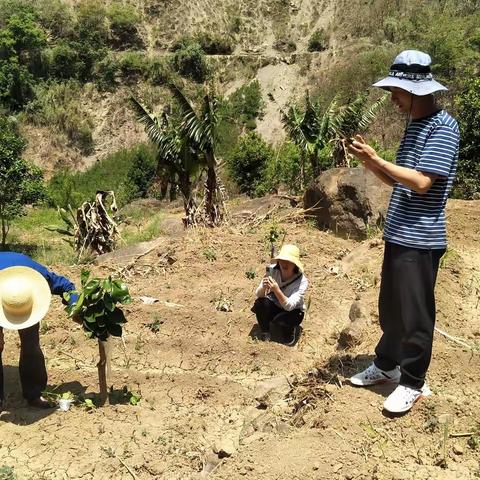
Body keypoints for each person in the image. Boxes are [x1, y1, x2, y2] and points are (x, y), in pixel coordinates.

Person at [347, 50, 460, 414]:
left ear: (416, 90)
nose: (393, 99)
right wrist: (372, 161)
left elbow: (423, 182)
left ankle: (412, 382)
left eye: (396, 91)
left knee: (415, 315)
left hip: (421, 237)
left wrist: (379, 161)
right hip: (398, 233)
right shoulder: (414, 127)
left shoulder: (444, 127)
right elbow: (400, 180)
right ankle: (386, 365)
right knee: (392, 310)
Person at [0, 252, 78, 412]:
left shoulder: (38, 276)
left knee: (31, 344)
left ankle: (34, 394)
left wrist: (75, 307)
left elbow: (66, 286)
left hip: (26, 295)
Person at [252, 244, 309, 345]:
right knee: (260, 304)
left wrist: (277, 290)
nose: (284, 264)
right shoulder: (272, 270)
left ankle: (289, 332)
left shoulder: (302, 281)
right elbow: (259, 294)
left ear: (295, 264)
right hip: (276, 305)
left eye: (289, 261)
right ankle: (265, 330)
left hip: (292, 311)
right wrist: (264, 287)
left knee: (286, 320)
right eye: (282, 260)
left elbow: (289, 306)